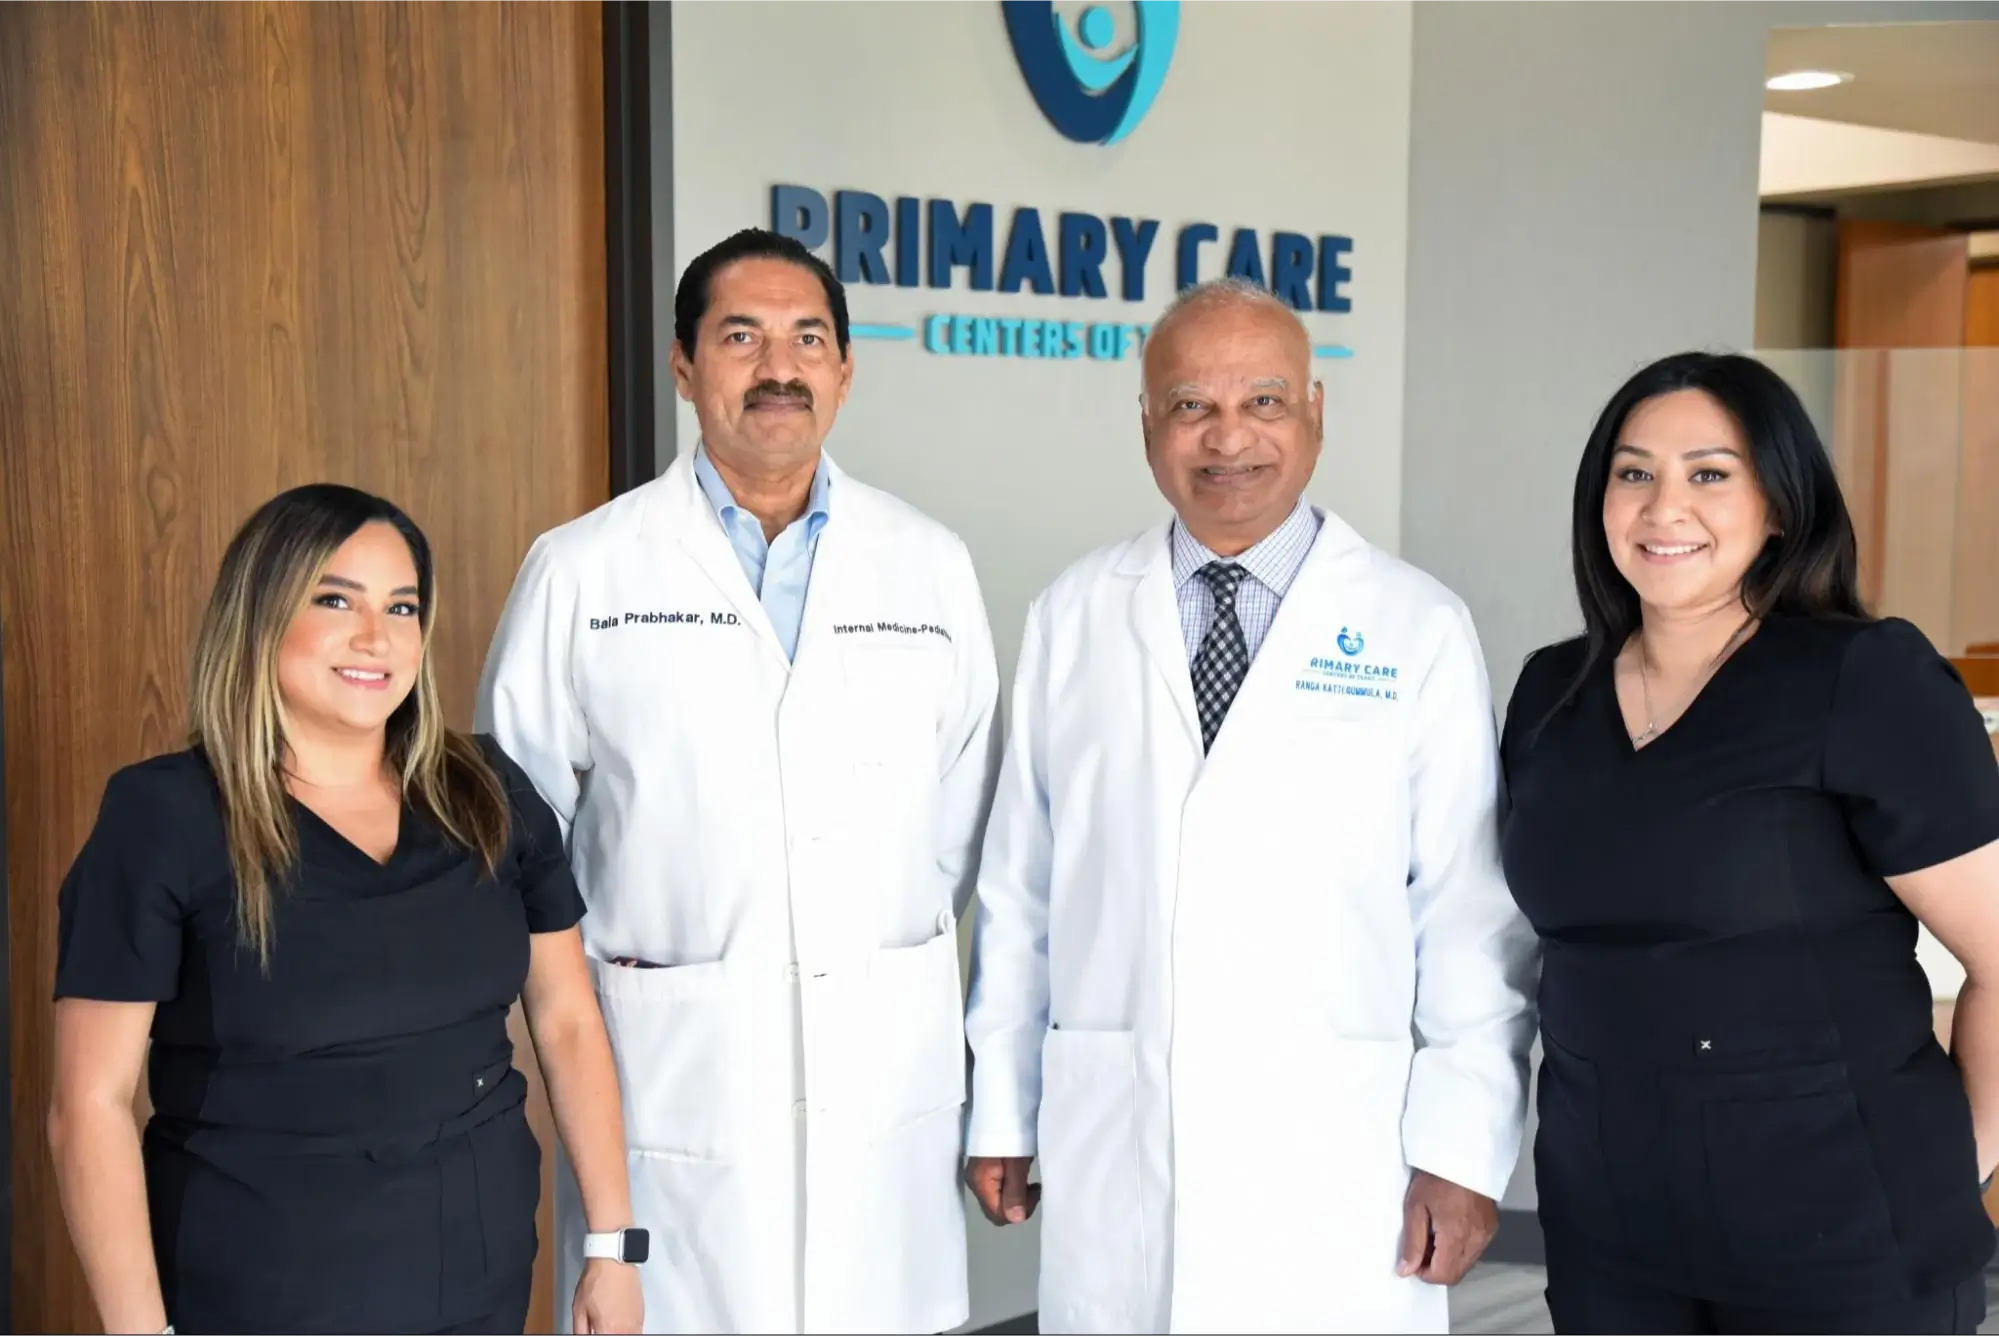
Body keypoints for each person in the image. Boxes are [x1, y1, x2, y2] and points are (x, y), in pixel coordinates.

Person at [961, 277, 1539, 1334]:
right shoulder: (1074, 614)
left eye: (1263, 403)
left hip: (1332, 1153)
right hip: (1118, 1129)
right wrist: (1000, 1103)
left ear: (1315, 413)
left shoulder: (1414, 625)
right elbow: (1020, 890)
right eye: (1191, 406)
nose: (1228, 439)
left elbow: (1468, 916)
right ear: (1146, 424)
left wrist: (1461, 1151)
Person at [477, 227, 1002, 1334]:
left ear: (846, 371)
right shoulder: (585, 568)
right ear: (683, 364)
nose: (780, 366)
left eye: (809, 338)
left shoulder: (927, 563)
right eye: (741, 336)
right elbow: (515, 839)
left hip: (879, 1082)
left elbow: (957, 827)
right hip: (672, 1079)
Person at [48, 485, 644, 1335]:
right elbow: (88, 1106)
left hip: (475, 1274)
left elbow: (566, 1020)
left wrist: (611, 1249)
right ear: (260, 614)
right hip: (256, 1286)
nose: (377, 638)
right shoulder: (165, 818)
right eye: (336, 600)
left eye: (402, 607)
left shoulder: (484, 791)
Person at [1500, 351, 1999, 1334]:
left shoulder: (1863, 680)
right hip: (1611, 1231)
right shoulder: (1548, 695)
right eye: (1633, 472)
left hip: (1841, 1236)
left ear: (1779, 505)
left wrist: (1956, 1161)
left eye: (1709, 473)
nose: (1662, 506)